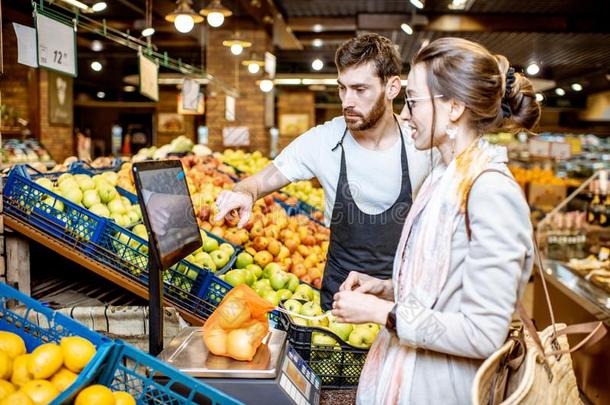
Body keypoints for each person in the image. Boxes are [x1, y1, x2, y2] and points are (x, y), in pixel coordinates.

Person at [331, 37, 541, 404]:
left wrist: (385, 313)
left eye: (413, 101)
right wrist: (387, 288)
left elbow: (482, 332)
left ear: (455, 107)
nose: (406, 114)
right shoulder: (445, 178)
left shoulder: (490, 192)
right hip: (406, 380)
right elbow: (446, 288)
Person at [215, 33, 437, 310]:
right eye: (342, 88)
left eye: (360, 89)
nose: (347, 101)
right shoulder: (323, 140)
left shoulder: (423, 146)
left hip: (403, 300)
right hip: (339, 300)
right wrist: (244, 194)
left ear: (392, 87)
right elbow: (259, 182)